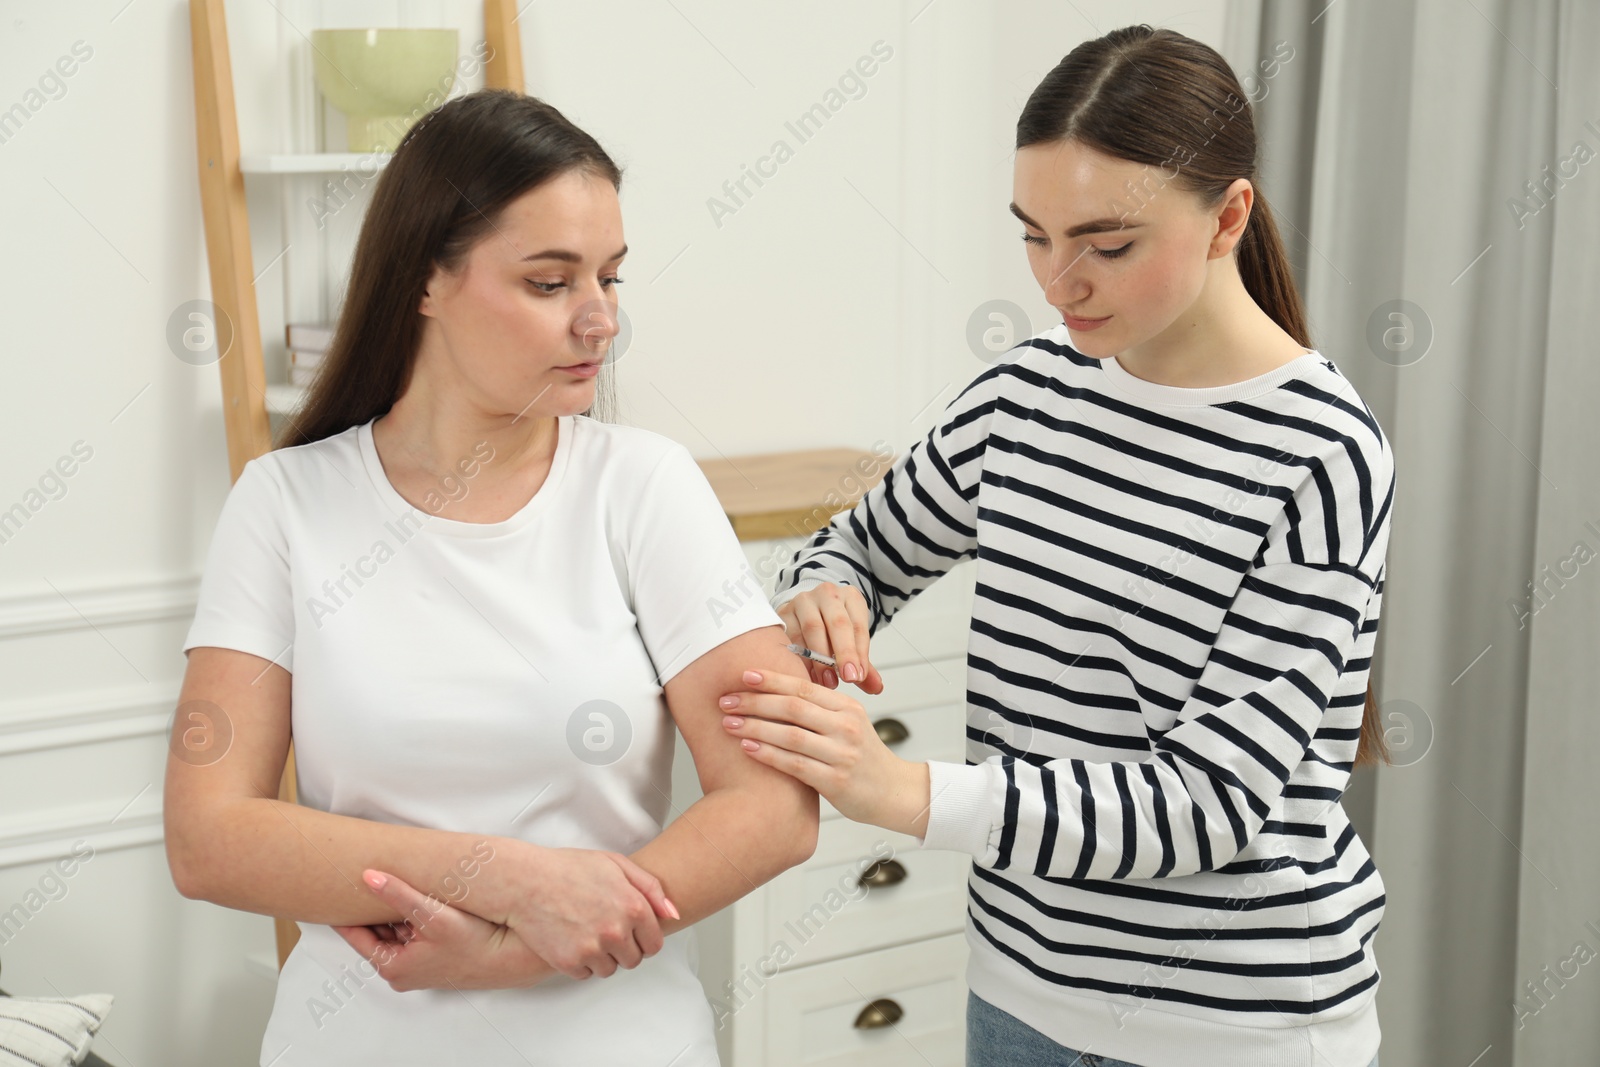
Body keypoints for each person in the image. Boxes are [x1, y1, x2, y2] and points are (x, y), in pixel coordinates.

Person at [713, 26, 1391, 1067]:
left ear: (1229, 217)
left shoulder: (1321, 451)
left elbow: (1207, 803)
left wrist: (901, 789)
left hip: (1232, 1024)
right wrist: (823, 590)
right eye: (1033, 233)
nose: (1057, 280)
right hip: (1018, 992)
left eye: (1106, 244)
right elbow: (852, 548)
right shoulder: (1025, 394)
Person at [163, 89, 818, 1066]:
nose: (600, 319)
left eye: (611, 277)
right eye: (550, 282)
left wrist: (516, 950)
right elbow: (209, 835)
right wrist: (509, 879)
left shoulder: (643, 487)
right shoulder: (286, 503)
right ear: (424, 279)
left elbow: (773, 804)